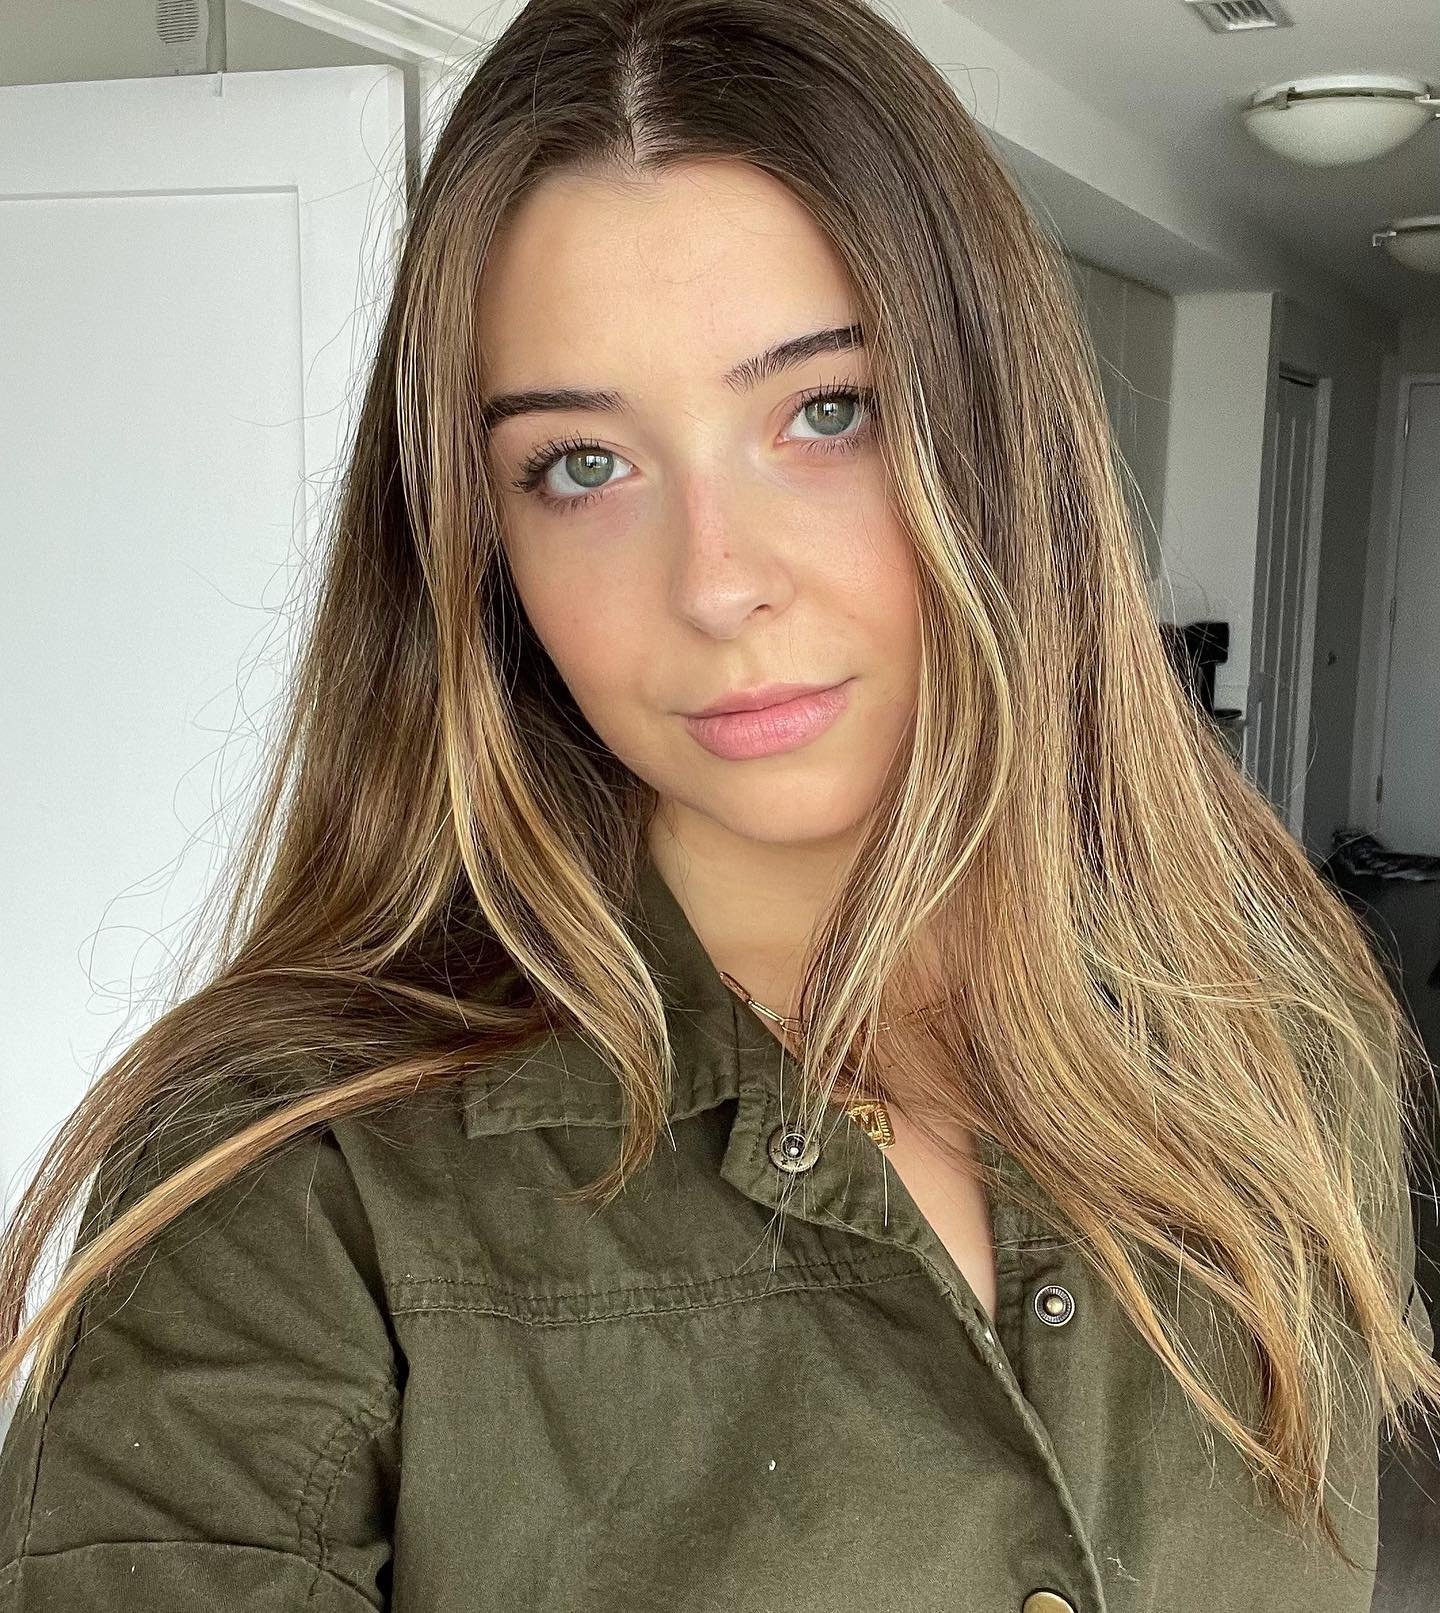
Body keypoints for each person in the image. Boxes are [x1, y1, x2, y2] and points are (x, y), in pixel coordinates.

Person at [1, 1, 1437, 1608]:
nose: (715, 582)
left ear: (1004, 433)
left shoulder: (1283, 1037)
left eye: (827, 410)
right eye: (581, 464)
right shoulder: (291, 1178)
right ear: (479, 537)